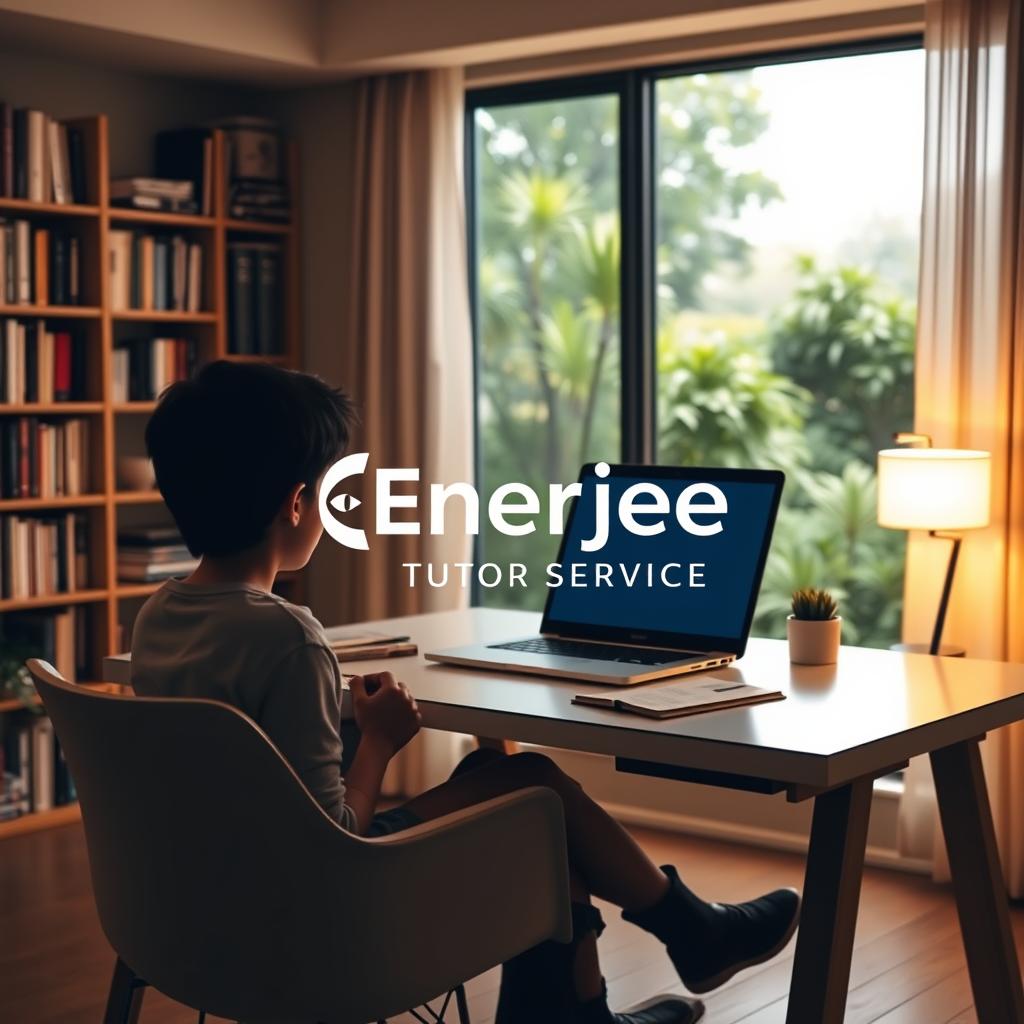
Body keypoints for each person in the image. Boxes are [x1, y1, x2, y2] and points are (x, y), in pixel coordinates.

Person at [131, 360, 800, 1024]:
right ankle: (692, 933)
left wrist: (342, 711)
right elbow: (337, 834)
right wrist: (380, 742)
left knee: (494, 774)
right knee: (535, 789)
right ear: (298, 503)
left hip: (206, 909)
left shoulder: (159, 615)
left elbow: (245, 762)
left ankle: (596, 1001)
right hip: (320, 919)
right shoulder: (288, 637)